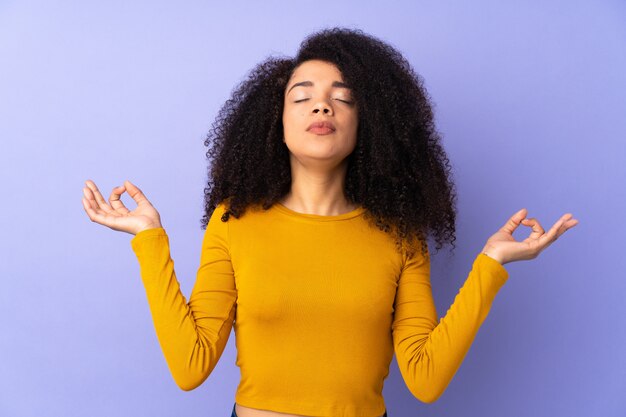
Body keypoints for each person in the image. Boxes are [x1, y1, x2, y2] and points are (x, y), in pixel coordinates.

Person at [81, 28, 578, 417]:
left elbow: (425, 380)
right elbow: (191, 366)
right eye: (302, 96)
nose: (322, 105)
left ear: (370, 123)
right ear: (275, 121)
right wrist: (149, 239)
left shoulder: (399, 234)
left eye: (343, 97)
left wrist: (491, 263)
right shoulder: (234, 220)